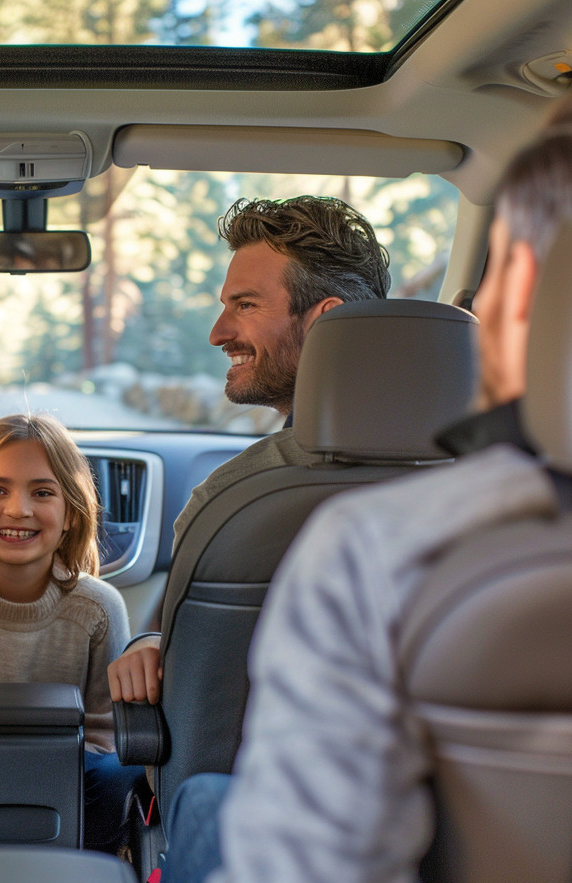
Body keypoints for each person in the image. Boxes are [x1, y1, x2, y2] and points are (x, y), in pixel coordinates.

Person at [165, 73, 572, 883]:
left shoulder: (378, 551)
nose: (218, 330)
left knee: (205, 803)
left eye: (241, 304)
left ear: (531, 292)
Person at [109, 195, 391, 706]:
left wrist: (152, 644)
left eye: (245, 304)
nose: (218, 333)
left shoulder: (234, 498)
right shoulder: (481, 484)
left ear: (325, 321)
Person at [0, 413, 143, 851]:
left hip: (68, 783)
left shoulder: (98, 608)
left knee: (124, 777)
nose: (18, 509)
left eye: (42, 493)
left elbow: (105, 736)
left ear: (72, 513)